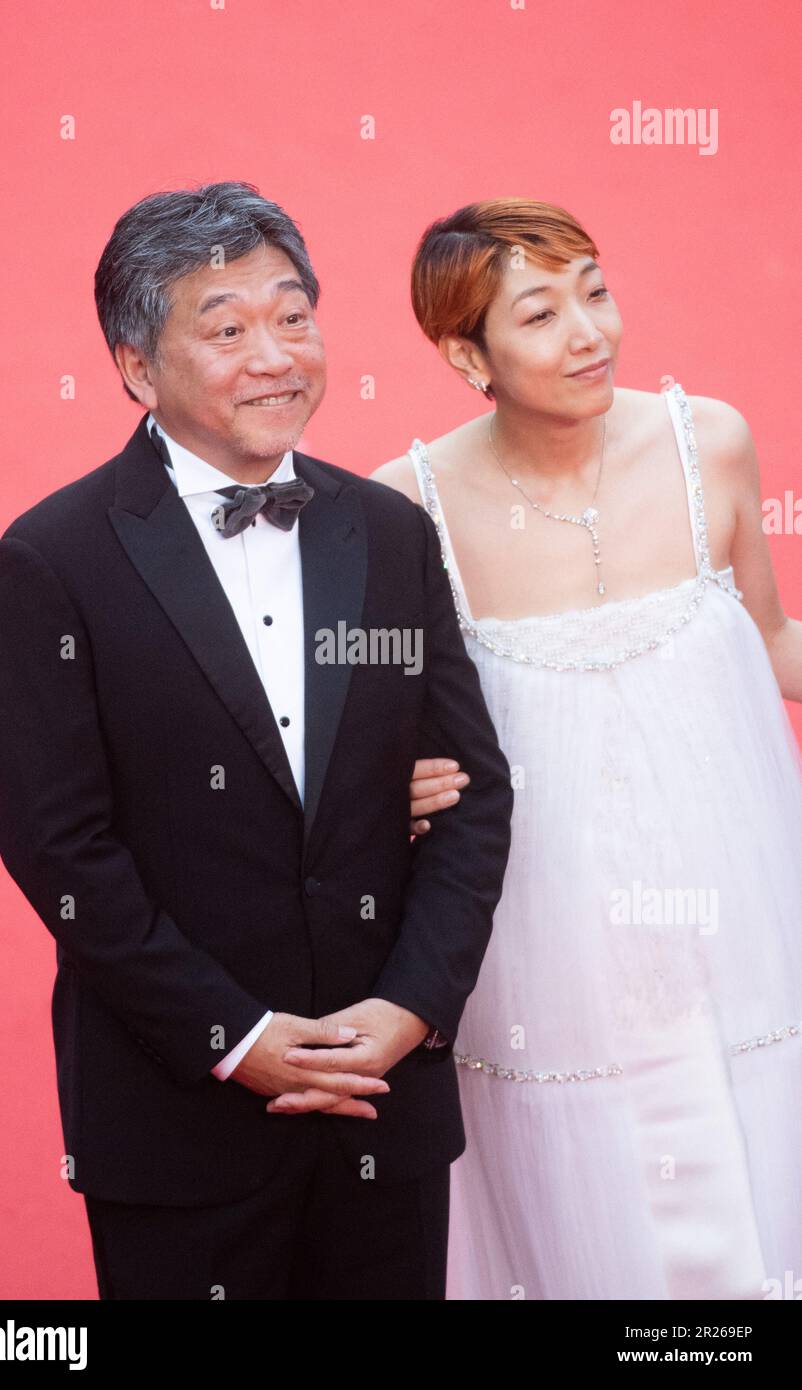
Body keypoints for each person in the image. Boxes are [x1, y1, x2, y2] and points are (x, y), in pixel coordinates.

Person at [0, 181, 513, 1300]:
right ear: (135, 366)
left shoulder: (389, 533)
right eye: (225, 328)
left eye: (292, 316)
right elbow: (60, 850)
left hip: (383, 1105)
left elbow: (471, 799)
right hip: (178, 1116)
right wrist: (234, 1032)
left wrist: (408, 1009)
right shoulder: (51, 561)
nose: (274, 354)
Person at [372, 198, 802, 1300]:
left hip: (734, 915)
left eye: (595, 292)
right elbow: (379, 749)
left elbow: (771, 644)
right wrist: (393, 790)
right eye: (540, 312)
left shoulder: (708, 442)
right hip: (540, 945)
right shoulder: (404, 507)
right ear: (466, 352)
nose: (589, 333)